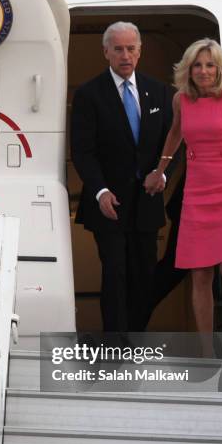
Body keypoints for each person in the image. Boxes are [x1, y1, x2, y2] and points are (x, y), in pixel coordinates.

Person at [145, 38, 222, 357]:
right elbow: (175, 134)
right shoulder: (181, 100)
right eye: (198, 65)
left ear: (219, 68)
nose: (204, 70)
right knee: (199, 271)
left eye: (210, 65)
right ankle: (206, 350)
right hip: (198, 189)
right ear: (189, 69)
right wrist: (160, 170)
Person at [71, 21, 173, 332]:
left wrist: (162, 174)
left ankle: (136, 339)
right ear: (106, 52)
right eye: (118, 49)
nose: (125, 55)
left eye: (131, 48)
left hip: (148, 200)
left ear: (140, 52)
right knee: (114, 273)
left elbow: (175, 140)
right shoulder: (89, 94)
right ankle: (115, 345)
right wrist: (100, 190)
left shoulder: (158, 92)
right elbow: (82, 151)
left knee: (144, 275)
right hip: (108, 203)